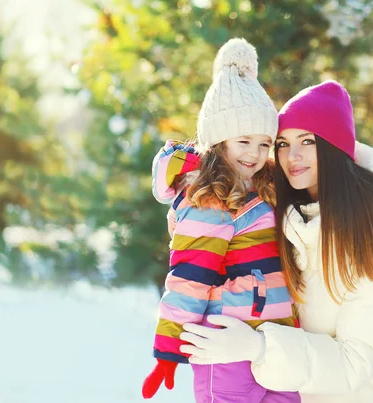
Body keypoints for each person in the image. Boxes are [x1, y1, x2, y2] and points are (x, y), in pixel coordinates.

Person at [179, 80, 373, 403]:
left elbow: (355, 361)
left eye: (307, 141)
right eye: (282, 143)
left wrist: (259, 347)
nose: (292, 155)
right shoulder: (285, 211)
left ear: (333, 146)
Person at [142, 38, 300, 403]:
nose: (255, 154)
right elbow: (190, 274)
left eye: (264, 144)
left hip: (275, 337)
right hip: (225, 340)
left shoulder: (263, 189)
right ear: (219, 141)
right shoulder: (209, 198)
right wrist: (168, 349)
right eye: (244, 141)